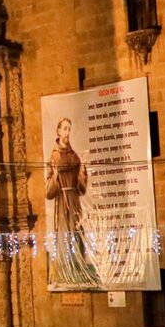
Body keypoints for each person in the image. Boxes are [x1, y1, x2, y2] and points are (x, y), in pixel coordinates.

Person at [43, 117, 98, 285]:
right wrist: (57, 176)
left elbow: (81, 188)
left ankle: (78, 266)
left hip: (74, 200)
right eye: (65, 128)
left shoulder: (74, 156)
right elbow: (48, 192)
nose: (67, 132)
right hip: (62, 201)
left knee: (77, 232)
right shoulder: (53, 156)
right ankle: (66, 268)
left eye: (69, 128)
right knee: (64, 234)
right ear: (58, 131)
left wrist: (83, 169)